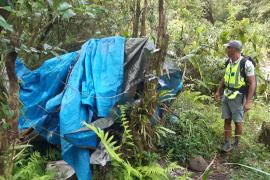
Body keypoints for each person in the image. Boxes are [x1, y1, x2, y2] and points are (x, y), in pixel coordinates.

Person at [214, 40, 256, 152]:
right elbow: (225, 77)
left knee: (238, 121)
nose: (227, 50)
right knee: (226, 119)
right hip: (227, 94)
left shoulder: (246, 64)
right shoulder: (229, 62)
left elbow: (252, 83)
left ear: (233, 49)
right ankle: (227, 143)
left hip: (238, 96)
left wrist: (249, 101)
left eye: (228, 48)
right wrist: (219, 91)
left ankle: (236, 144)